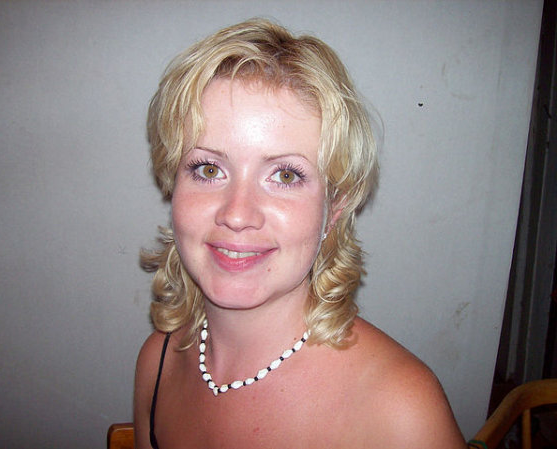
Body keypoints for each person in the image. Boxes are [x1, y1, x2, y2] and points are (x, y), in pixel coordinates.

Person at [134, 18, 466, 449]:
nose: (237, 214)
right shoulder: (157, 364)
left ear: (335, 208)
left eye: (285, 175)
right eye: (209, 169)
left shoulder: (401, 412)